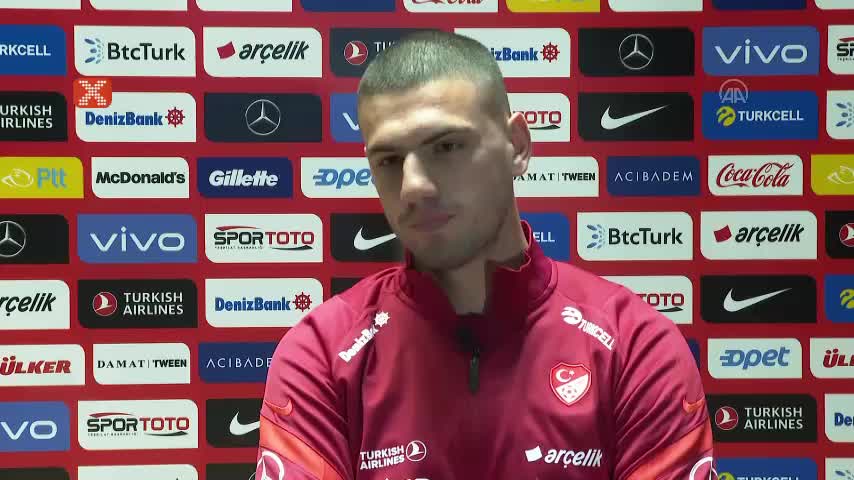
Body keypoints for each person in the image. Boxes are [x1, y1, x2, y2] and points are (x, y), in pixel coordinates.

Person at [255, 30, 714, 480]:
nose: (414, 187)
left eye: (446, 147)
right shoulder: (321, 354)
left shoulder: (635, 347)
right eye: (389, 160)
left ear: (518, 146)